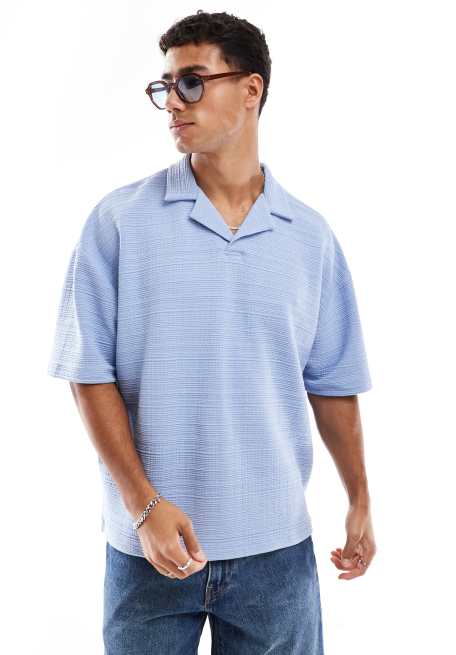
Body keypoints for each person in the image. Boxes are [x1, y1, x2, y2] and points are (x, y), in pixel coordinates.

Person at [47, 10, 376, 654]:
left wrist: (360, 497)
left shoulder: (308, 237)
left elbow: (332, 381)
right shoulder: (119, 222)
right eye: (165, 86)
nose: (173, 101)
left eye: (192, 82)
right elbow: (89, 374)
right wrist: (144, 507)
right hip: (148, 548)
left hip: (275, 549)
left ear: (251, 90)